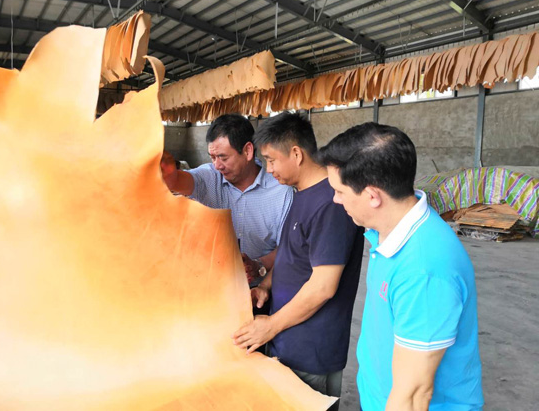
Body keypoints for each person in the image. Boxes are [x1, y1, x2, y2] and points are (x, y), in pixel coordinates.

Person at [319, 122, 484, 411]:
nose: (335, 199)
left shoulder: (423, 269)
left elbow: (413, 395)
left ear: (372, 196)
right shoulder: (388, 232)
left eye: (339, 191)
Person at [231, 112, 364, 410]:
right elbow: (291, 254)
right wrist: (265, 286)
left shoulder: (331, 202)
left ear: (296, 153)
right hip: (288, 340)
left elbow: (323, 286)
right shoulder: (301, 194)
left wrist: (271, 326)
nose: (269, 169)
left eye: (271, 160)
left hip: (311, 349)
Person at [160, 114, 293, 287]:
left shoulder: (281, 191)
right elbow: (179, 181)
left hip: (259, 290)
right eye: (212, 157)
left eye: (223, 158)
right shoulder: (210, 177)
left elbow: (288, 248)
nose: (217, 165)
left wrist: (259, 265)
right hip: (211, 287)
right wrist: (167, 173)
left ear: (248, 151)